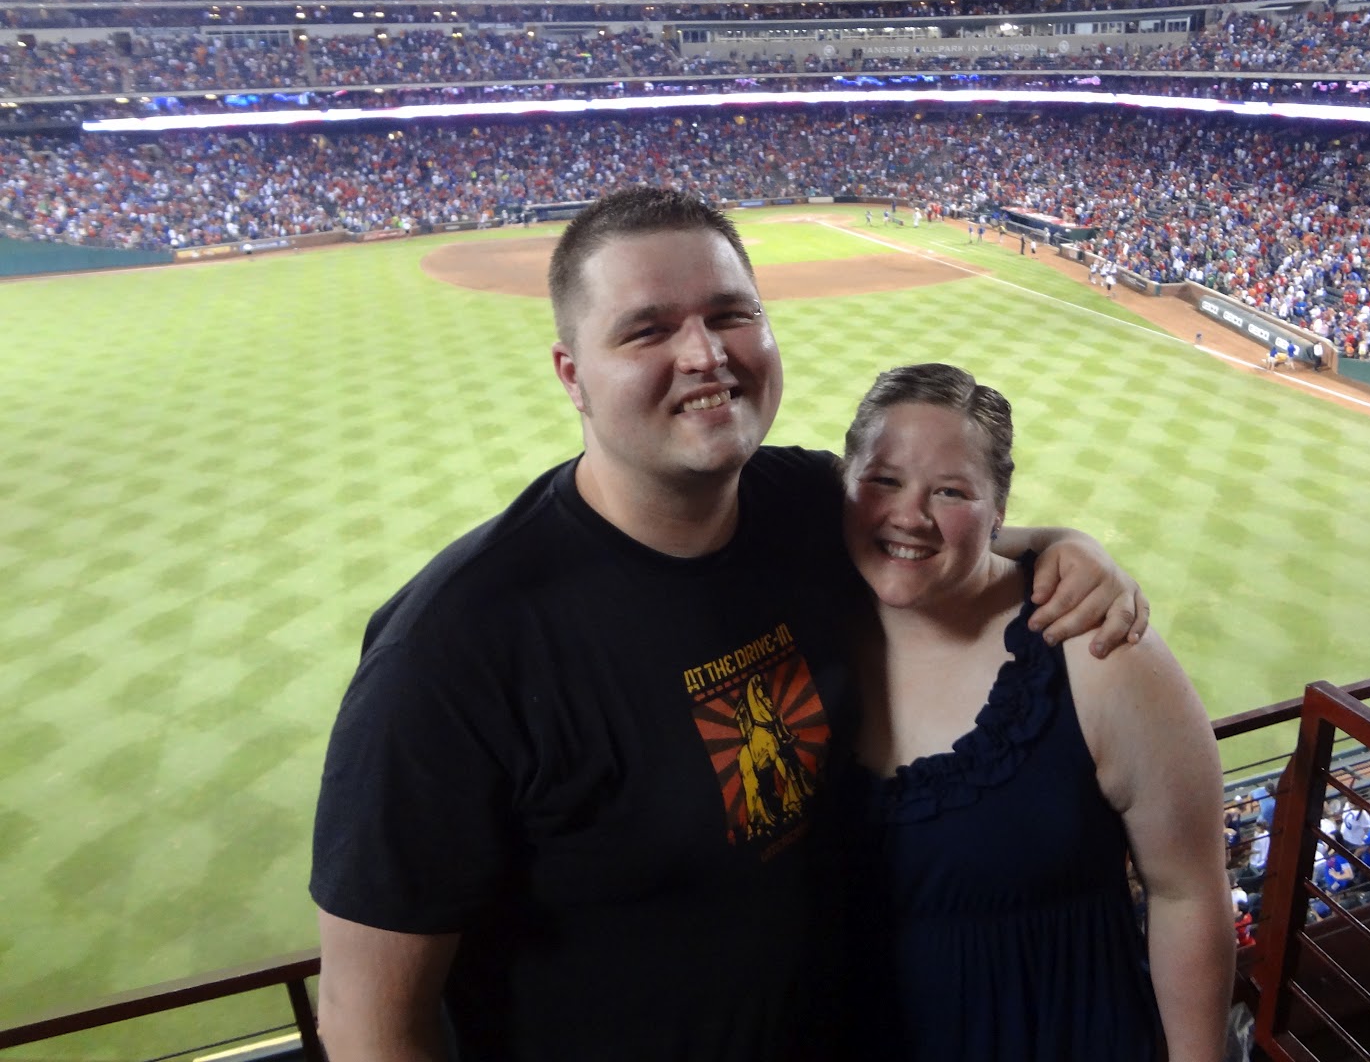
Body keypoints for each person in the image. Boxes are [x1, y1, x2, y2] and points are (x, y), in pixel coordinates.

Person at [310, 190, 1149, 1062]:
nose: (705, 354)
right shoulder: (448, 654)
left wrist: (1064, 544)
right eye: (647, 330)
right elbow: (368, 1023)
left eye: (730, 315)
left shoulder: (806, 505)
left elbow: (936, 543)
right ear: (571, 374)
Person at [828, 364, 1232, 1062]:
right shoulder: (798, 624)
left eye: (951, 491)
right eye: (885, 480)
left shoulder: (1100, 651)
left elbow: (1187, 894)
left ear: (999, 510)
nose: (910, 514)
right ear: (846, 482)